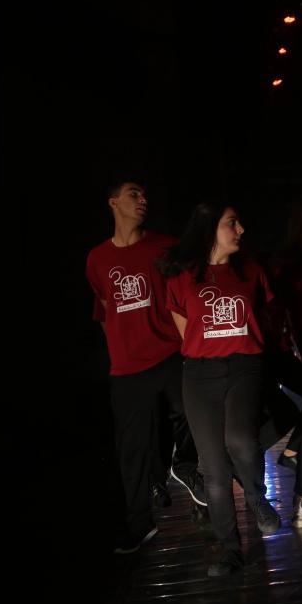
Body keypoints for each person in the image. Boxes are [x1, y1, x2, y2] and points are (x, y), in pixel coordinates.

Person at [161, 203, 281, 577]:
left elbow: (267, 318)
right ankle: (230, 549)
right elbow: (185, 330)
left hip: (245, 365)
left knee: (240, 440)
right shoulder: (182, 276)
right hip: (200, 374)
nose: (241, 229)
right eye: (232, 223)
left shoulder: (251, 271)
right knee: (213, 469)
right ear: (210, 229)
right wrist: (207, 351)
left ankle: (257, 497)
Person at [85, 180, 202, 555]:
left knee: (193, 410)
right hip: (127, 370)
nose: (142, 200)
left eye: (145, 195)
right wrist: (121, 350)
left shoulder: (163, 247)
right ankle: (140, 523)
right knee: (131, 449)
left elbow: (184, 298)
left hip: (169, 353)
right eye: (134, 194)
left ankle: (184, 466)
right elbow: (105, 310)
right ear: (113, 202)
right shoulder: (97, 259)